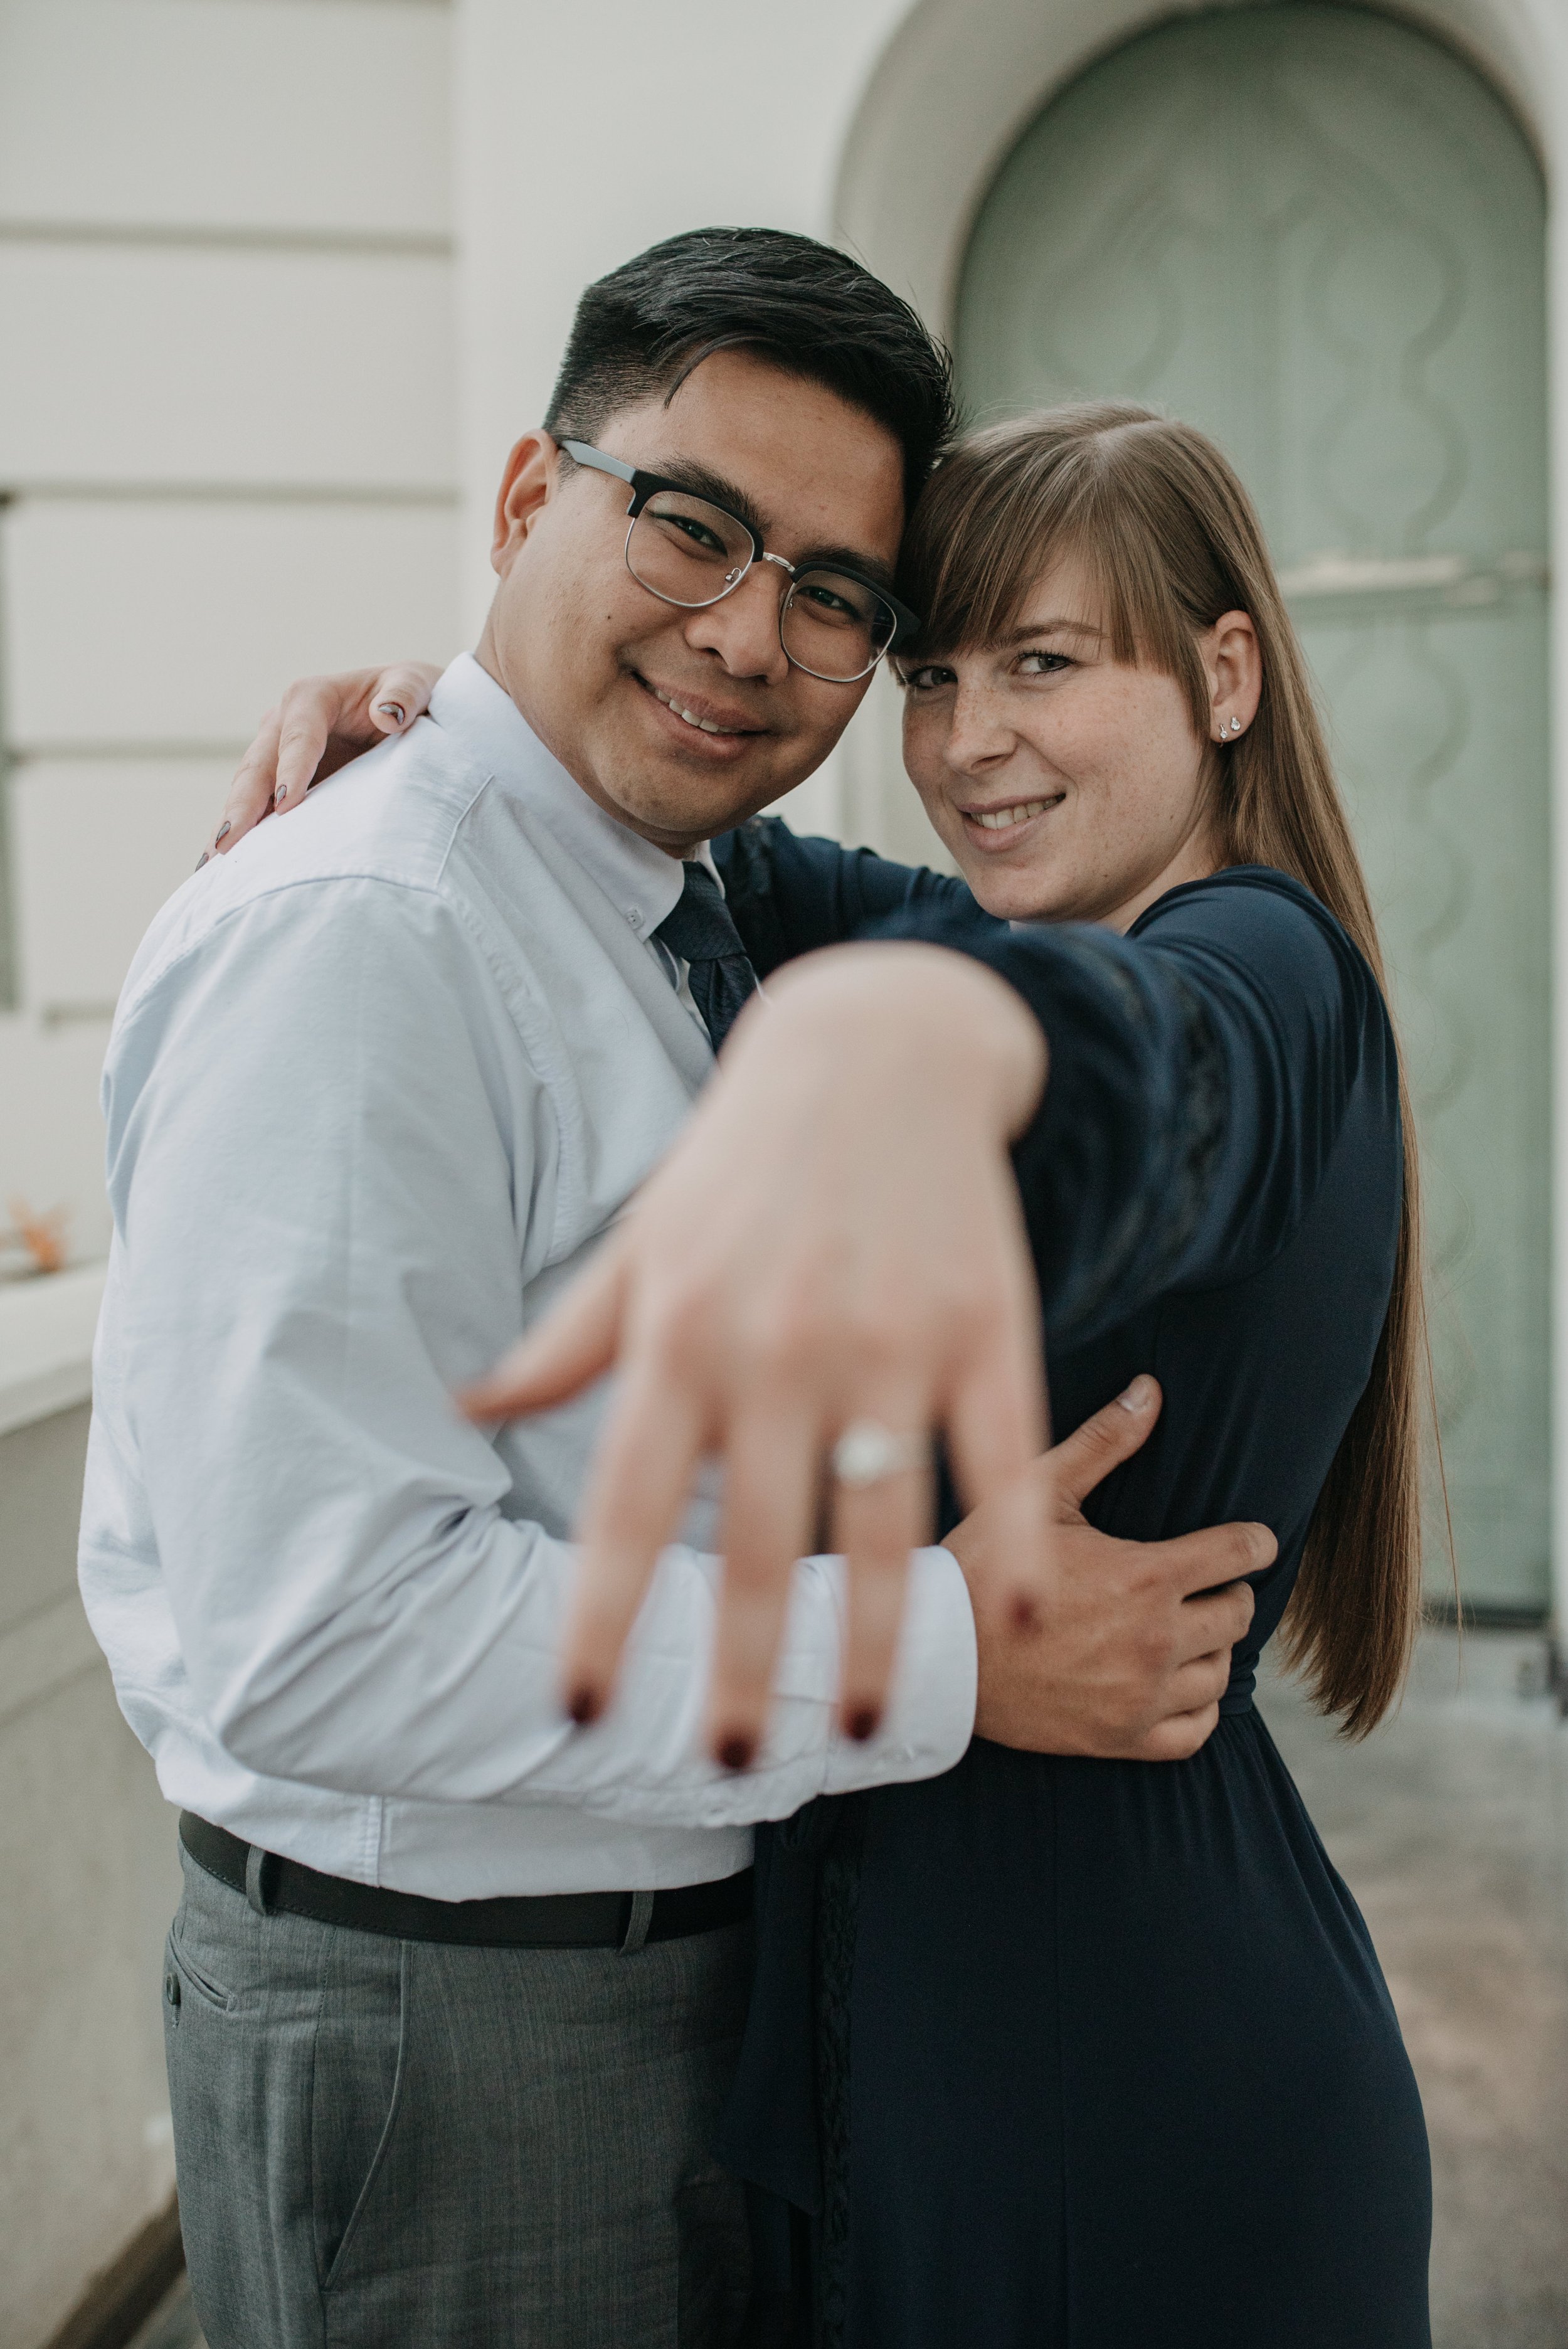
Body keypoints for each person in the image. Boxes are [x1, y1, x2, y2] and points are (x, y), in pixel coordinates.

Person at [86, 234, 1261, 2349]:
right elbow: (326, 1627)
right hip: (455, 2028)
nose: (751, 635)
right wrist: (944, 1647)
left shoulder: (671, 888)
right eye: (694, 528)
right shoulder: (374, 934)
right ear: (533, 499)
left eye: (836, 598)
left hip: (649, 1985)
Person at [289, 404, 1434, 2346]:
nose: (967, 737)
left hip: (1113, 2088)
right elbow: (696, 845)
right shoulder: (1006, 912)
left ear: (1223, 672)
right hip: (962, 2031)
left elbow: (1157, 1068)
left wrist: (929, 1044)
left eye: (1045, 666)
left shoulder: (1261, 967)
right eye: (933, 671)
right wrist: (451, 714)